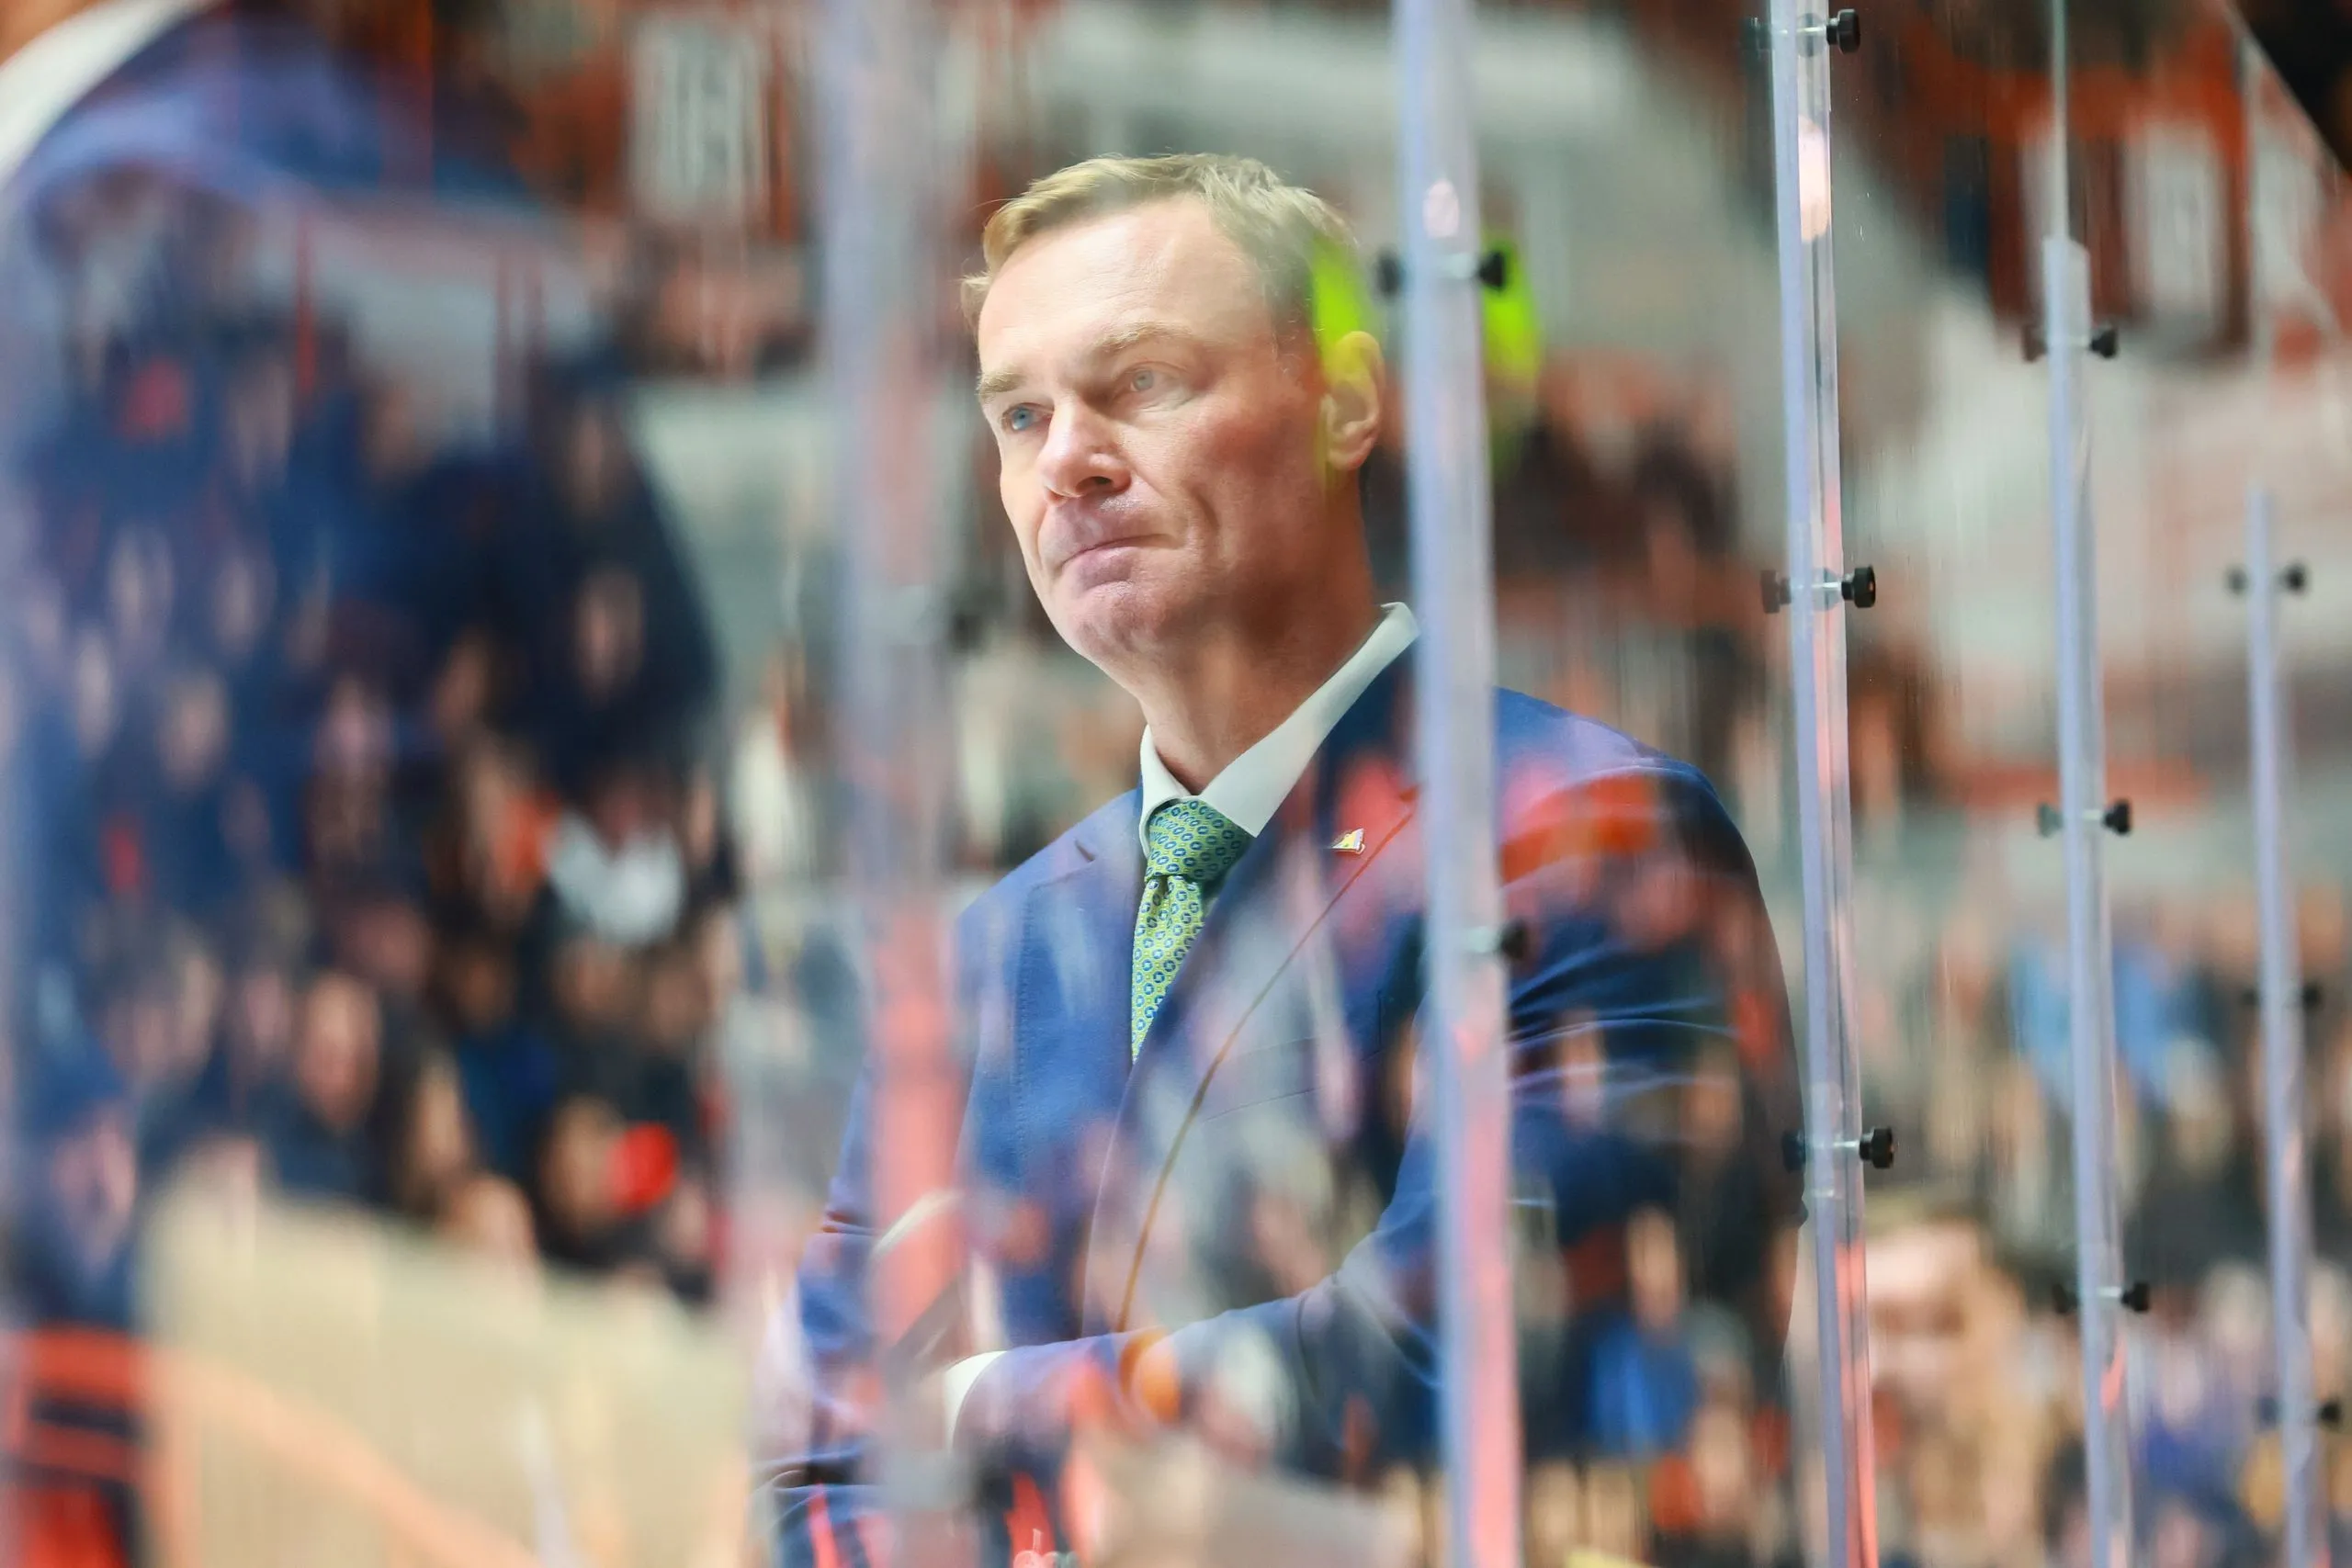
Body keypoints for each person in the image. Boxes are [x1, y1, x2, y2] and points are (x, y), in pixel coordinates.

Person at [770, 154, 1802, 1561]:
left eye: (1141, 381)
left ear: (1347, 403)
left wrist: (962, 1409)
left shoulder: (1583, 833)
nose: (1065, 457)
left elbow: (1458, 1350)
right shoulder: (986, 955)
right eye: (1020, 414)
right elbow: (807, 1467)